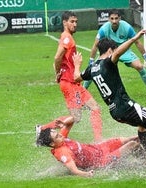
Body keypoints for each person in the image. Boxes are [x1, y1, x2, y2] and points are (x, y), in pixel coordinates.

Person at [73, 29, 146, 177]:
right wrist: (134, 38)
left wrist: (77, 64)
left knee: (143, 126)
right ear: (110, 50)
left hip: (115, 112)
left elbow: (76, 78)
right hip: (126, 106)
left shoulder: (92, 68)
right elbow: (118, 53)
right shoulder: (108, 62)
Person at [36, 115, 146, 177]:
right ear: (51, 144)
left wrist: (64, 122)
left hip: (99, 148)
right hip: (101, 160)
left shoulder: (61, 139)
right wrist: (86, 174)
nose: (60, 134)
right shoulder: (62, 152)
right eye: (56, 135)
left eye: (58, 132)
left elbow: (73, 119)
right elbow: (73, 169)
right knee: (133, 145)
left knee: (133, 137)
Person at [83, 9, 146, 97]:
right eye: (112, 19)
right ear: (108, 19)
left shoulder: (127, 27)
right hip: (110, 51)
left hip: (124, 51)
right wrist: (91, 61)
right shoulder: (104, 29)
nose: (114, 21)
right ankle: (83, 90)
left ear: (120, 18)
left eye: (116, 18)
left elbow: (137, 42)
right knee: (94, 68)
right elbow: (95, 45)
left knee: (139, 66)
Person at [53, 11, 102, 142]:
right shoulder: (67, 38)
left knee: (95, 108)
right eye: (72, 22)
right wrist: (58, 73)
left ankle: (98, 141)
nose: (75, 24)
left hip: (73, 83)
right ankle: (44, 129)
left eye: (76, 22)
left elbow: (58, 60)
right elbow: (57, 57)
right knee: (76, 117)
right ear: (65, 23)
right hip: (69, 83)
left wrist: (57, 71)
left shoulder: (66, 36)